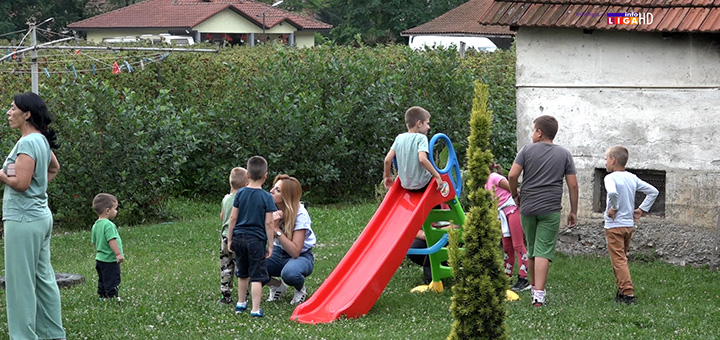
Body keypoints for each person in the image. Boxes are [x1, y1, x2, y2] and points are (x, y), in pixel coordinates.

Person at [0, 92, 65, 339]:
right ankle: (52, 335)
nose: (8, 112)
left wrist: (3, 176)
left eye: (13, 107)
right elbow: (54, 168)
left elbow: (22, 183)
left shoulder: (27, 143)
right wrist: (40, 189)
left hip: (23, 220)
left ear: (26, 114)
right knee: (44, 279)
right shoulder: (41, 140)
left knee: (20, 284)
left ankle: (24, 336)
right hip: (40, 218)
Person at [508, 115, 578, 307]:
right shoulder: (564, 154)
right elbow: (573, 185)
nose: (532, 134)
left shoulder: (526, 150)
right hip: (551, 208)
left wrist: (515, 194)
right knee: (543, 251)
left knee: (531, 248)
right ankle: (538, 297)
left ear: (539, 133)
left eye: (533, 130)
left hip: (528, 207)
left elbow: (512, 175)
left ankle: (532, 287)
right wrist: (573, 211)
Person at [603, 146, 658, 304]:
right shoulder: (632, 178)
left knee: (618, 260)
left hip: (614, 225)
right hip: (628, 225)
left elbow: (613, 193)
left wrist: (614, 208)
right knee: (621, 259)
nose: (605, 162)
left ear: (613, 160)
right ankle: (620, 292)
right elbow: (653, 191)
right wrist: (641, 209)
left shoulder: (610, 178)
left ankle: (628, 294)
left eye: (606, 159)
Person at [227, 156, 277, 317]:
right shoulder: (266, 197)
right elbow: (269, 223)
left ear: (247, 175)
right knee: (256, 275)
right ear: (266, 176)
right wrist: (270, 244)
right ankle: (255, 309)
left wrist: (230, 238)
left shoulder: (240, 193)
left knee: (242, 272)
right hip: (256, 240)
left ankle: (241, 303)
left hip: (239, 237)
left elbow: (233, 218)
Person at [264, 174, 316, 305]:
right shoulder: (270, 208)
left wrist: (276, 229)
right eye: (273, 188)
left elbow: (295, 252)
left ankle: (300, 289)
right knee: (248, 266)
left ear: (287, 196)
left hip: (301, 256)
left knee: (290, 274)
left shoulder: (300, 214)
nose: (271, 191)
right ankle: (277, 285)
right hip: (277, 252)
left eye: (278, 190)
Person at [486, 163, 529, 292]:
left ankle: (523, 278)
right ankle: (507, 275)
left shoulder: (493, 177)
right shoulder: (486, 182)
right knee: (507, 246)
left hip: (511, 210)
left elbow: (513, 189)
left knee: (518, 244)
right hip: (502, 213)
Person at [383, 106, 443, 191]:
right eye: (427, 123)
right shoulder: (421, 138)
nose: (428, 127)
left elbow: (387, 160)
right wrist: (437, 176)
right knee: (442, 183)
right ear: (419, 123)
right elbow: (422, 159)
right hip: (422, 184)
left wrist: (387, 176)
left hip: (404, 185)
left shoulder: (399, 138)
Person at [218, 167, 249, 304]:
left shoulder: (226, 199)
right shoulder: (244, 200)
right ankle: (244, 296)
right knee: (242, 267)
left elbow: (222, 216)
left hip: (224, 237)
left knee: (226, 266)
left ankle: (225, 295)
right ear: (246, 185)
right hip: (238, 237)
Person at [91, 193, 124, 301]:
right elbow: (111, 240)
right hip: (110, 259)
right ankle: (112, 296)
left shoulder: (96, 225)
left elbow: (94, 242)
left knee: (103, 278)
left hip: (100, 259)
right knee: (112, 278)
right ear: (108, 210)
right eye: (115, 209)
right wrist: (118, 254)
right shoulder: (108, 225)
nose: (116, 211)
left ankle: (102, 295)